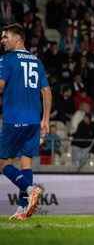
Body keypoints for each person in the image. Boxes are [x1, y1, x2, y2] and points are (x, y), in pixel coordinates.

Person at [0, 24, 51, 220]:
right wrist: (45, 119)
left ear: (17, 39)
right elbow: (46, 91)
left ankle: (30, 190)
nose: (2, 40)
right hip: (34, 120)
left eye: (5, 37)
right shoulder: (37, 61)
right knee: (26, 163)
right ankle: (22, 210)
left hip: (14, 119)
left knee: (4, 164)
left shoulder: (6, 60)